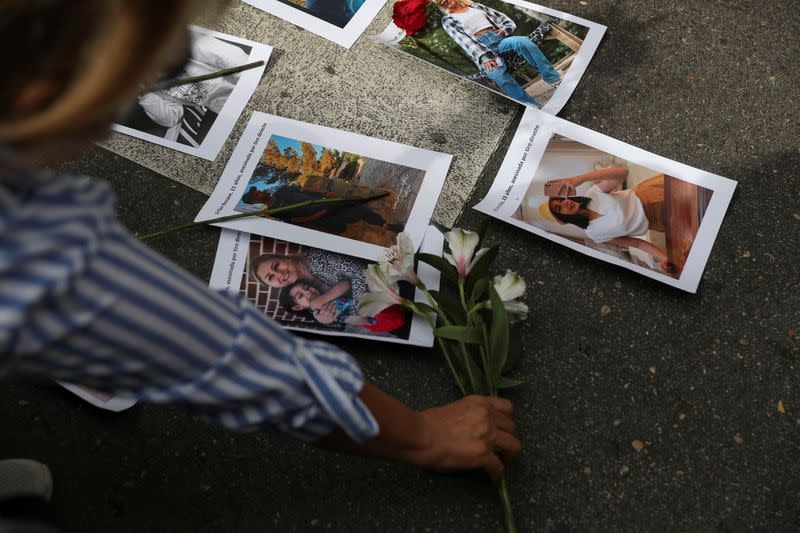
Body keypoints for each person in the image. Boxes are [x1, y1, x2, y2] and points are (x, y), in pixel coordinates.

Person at [0, 1, 521, 523]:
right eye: (150, 65)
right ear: (44, 90)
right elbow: (219, 354)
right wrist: (422, 437)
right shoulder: (32, 246)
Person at [541, 166, 675, 273]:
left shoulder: (593, 193)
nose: (564, 203)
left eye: (560, 199)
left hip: (652, 194)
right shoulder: (595, 234)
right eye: (559, 208)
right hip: (659, 223)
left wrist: (580, 179)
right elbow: (637, 244)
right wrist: (666, 258)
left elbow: (622, 173)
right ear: (563, 217)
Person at [436, 0, 561, 108]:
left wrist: (504, 29)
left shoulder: (476, 6)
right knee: (497, 74)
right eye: (439, 1)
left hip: (498, 40)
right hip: (480, 48)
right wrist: (484, 57)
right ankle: (531, 105)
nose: (444, 1)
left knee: (523, 42)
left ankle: (553, 78)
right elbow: (464, 41)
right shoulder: (448, 19)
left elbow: (503, 18)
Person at [240, 184, 406, 236]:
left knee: (359, 209)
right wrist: (315, 216)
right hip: (321, 217)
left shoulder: (281, 190)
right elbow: (294, 220)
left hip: (326, 202)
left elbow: (304, 191)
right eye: (256, 193)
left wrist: (324, 192)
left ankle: (389, 226)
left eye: (258, 190)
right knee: (341, 227)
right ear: (255, 200)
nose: (260, 191)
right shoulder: (272, 211)